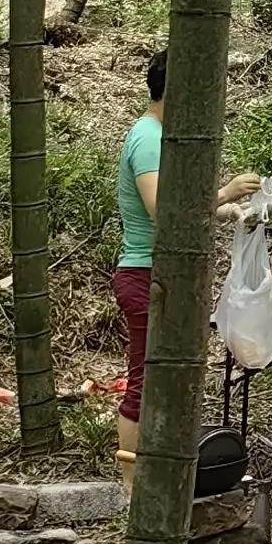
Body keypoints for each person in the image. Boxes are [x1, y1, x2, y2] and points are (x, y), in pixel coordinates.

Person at [111, 49, 166, 466]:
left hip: (154, 273)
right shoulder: (149, 138)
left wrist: (227, 212)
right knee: (144, 383)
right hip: (143, 273)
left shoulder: (158, 133)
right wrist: (224, 193)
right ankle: (132, 486)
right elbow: (161, 209)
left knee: (159, 379)